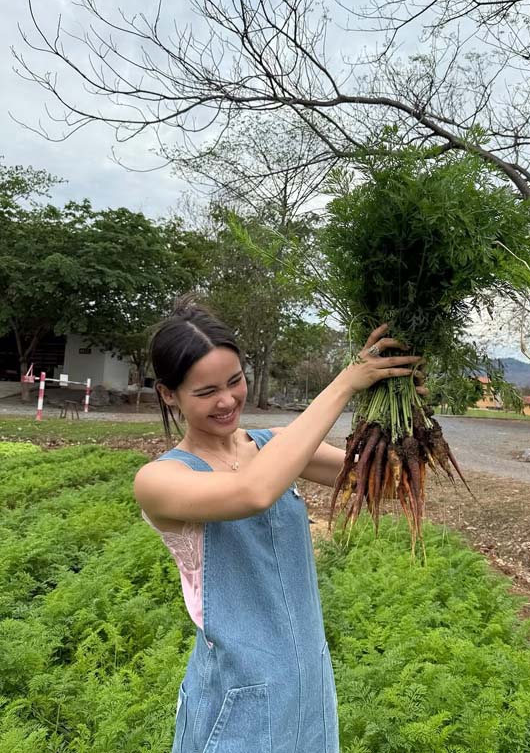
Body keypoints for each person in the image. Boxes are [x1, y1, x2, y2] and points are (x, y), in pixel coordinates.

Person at [134, 301, 423, 753]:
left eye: (235, 381)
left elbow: (387, 485)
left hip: (308, 685)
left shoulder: (273, 445)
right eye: (206, 391)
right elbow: (253, 492)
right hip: (236, 696)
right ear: (169, 394)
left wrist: (397, 412)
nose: (227, 400)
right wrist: (346, 382)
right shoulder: (160, 480)